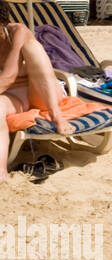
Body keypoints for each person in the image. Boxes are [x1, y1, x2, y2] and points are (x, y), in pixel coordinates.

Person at [1, 22, 75, 180]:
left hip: (41, 92)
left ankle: (56, 115)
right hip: (13, 95)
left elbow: (9, 75)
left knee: (32, 47)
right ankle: (1, 172)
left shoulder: (17, 31)